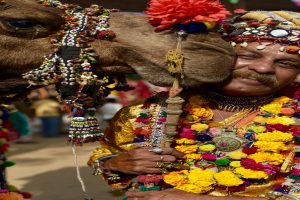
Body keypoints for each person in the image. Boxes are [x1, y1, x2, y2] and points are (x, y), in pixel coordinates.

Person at [88, 10, 300, 200]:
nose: (263, 68)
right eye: (248, 55)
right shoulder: (148, 113)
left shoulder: (295, 119)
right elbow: (103, 158)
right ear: (215, 58)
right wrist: (113, 164)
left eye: (286, 63)